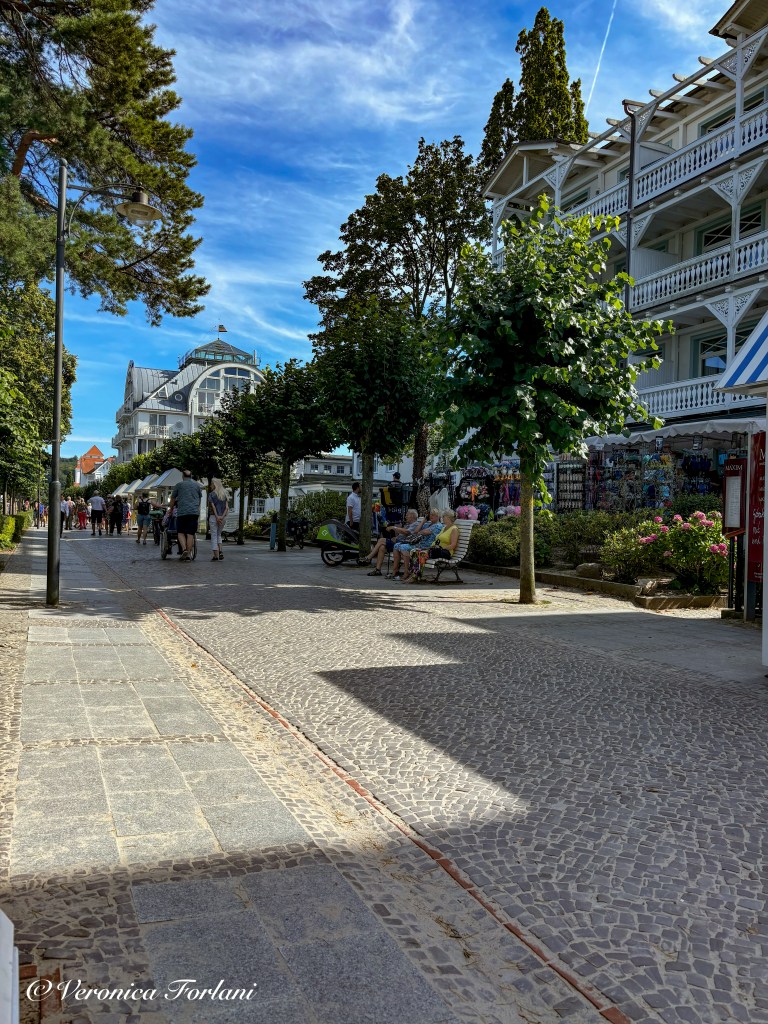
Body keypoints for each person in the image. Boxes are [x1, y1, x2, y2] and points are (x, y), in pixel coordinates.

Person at [362, 509, 423, 576]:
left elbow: (406, 532)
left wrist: (394, 528)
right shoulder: (408, 524)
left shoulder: (415, 524)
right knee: (382, 547)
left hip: (403, 544)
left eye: (407, 515)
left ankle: (368, 558)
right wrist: (396, 536)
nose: (405, 517)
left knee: (381, 540)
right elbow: (403, 534)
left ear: (412, 516)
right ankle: (377, 570)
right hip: (398, 542)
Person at [396, 508, 443, 583]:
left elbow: (424, 532)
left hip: (426, 546)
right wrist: (423, 521)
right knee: (398, 546)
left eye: (433, 515)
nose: (431, 516)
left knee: (404, 548)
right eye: (430, 514)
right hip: (419, 544)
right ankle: (403, 572)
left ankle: (407, 573)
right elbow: (416, 531)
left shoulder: (438, 526)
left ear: (438, 516)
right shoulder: (427, 524)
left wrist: (420, 531)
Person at [170, 469, 203, 561]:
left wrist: (171, 509)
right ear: (191, 476)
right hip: (194, 513)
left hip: (182, 512)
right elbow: (199, 499)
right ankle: (188, 554)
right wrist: (197, 508)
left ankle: (184, 549)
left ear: (182, 476)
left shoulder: (179, 485)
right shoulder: (197, 485)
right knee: (190, 534)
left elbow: (172, 499)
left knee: (180, 532)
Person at [208, 478, 229, 561]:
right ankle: (220, 551)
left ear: (214, 485)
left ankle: (216, 555)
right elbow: (226, 508)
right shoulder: (225, 494)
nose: (210, 486)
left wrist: (217, 517)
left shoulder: (211, 494)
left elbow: (213, 507)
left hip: (214, 517)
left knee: (214, 535)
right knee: (218, 534)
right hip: (223, 517)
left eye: (211, 484)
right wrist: (221, 517)